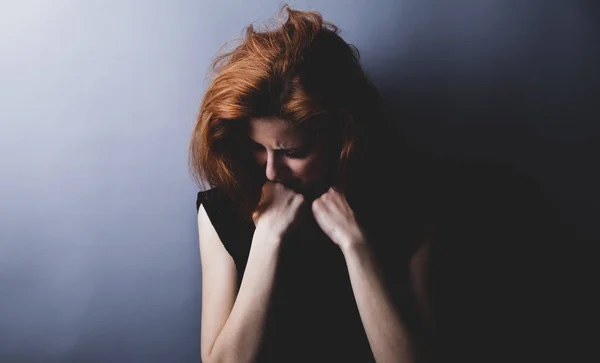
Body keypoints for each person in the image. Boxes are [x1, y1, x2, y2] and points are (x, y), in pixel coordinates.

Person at [188, 5, 567, 363]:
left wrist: (355, 246)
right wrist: (267, 237)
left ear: (340, 137)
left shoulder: (409, 203)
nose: (270, 171)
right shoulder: (223, 209)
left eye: (292, 152)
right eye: (258, 148)